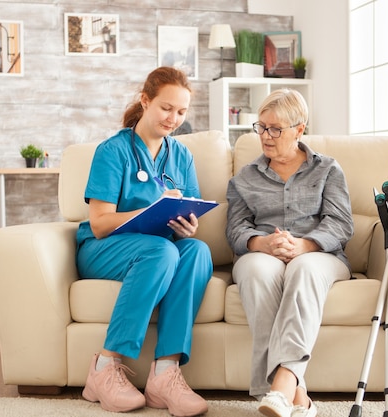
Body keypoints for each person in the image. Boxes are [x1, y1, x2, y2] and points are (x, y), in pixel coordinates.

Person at [75, 66, 212, 417]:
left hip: (159, 248)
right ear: (145, 100)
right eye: (166, 108)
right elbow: (101, 223)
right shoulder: (113, 151)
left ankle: (165, 374)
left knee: (196, 251)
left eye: (181, 112)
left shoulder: (181, 155)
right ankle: (104, 367)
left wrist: (187, 226)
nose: (173, 118)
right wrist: (150, 210)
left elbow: (189, 208)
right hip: (104, 249)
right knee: (161, 250)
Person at [226, 89, 354, 417]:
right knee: (255, 270)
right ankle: (297, 398)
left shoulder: (327, 169)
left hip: (319, 256)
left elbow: (341, 224)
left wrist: (304, 246)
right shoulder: (244, 179)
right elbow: (236, 230)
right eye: (261, 127)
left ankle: (281, 386)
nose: (266, 136)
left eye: (276, 129)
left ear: (300, 129)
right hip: (262, 254)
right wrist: (262, 243)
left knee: (303, 269)